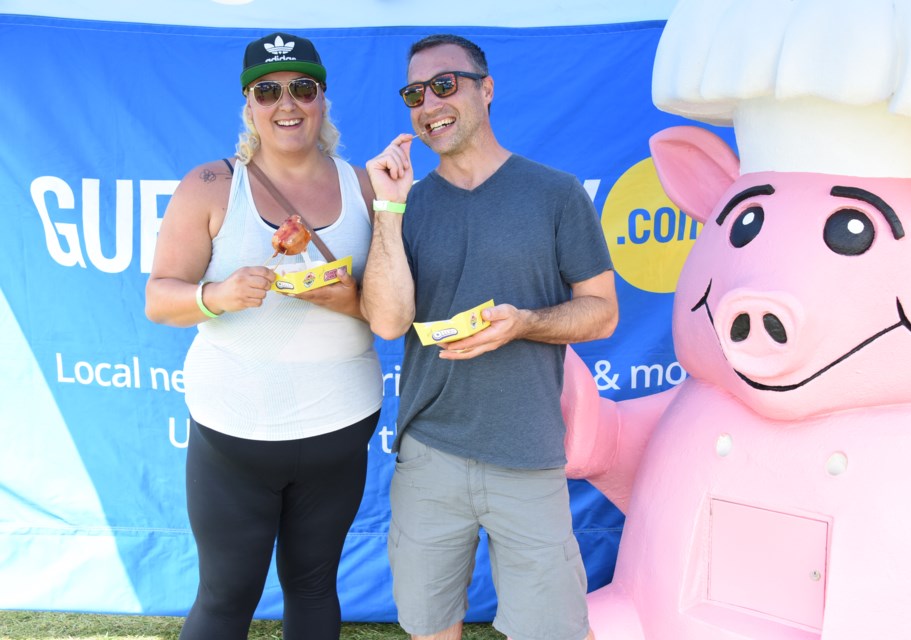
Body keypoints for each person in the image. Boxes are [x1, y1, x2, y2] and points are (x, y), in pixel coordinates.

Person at [362, 33, 618, 640]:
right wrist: (388, 211)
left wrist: (527, 322)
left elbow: (601, 313)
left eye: (445, 85)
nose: (429, 104)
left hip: (528, 455)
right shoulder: (409, 203)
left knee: (552, 629)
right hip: (429, 454)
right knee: (429, 626)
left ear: (487, 89)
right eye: (414, 94)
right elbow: (389, 322)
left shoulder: (555, 193)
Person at [144, 31, 382, 640]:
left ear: (323, 99)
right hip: (235, 436)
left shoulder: (365, 187)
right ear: (248, 105)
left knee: (312, 585)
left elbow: (391, 311)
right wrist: (215, 296)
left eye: (303, 88)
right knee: (226, 598)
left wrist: (346, 297)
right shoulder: (211, 185)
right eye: (268, 90)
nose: (287, 104)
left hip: (339, 426)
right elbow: (159, 298)